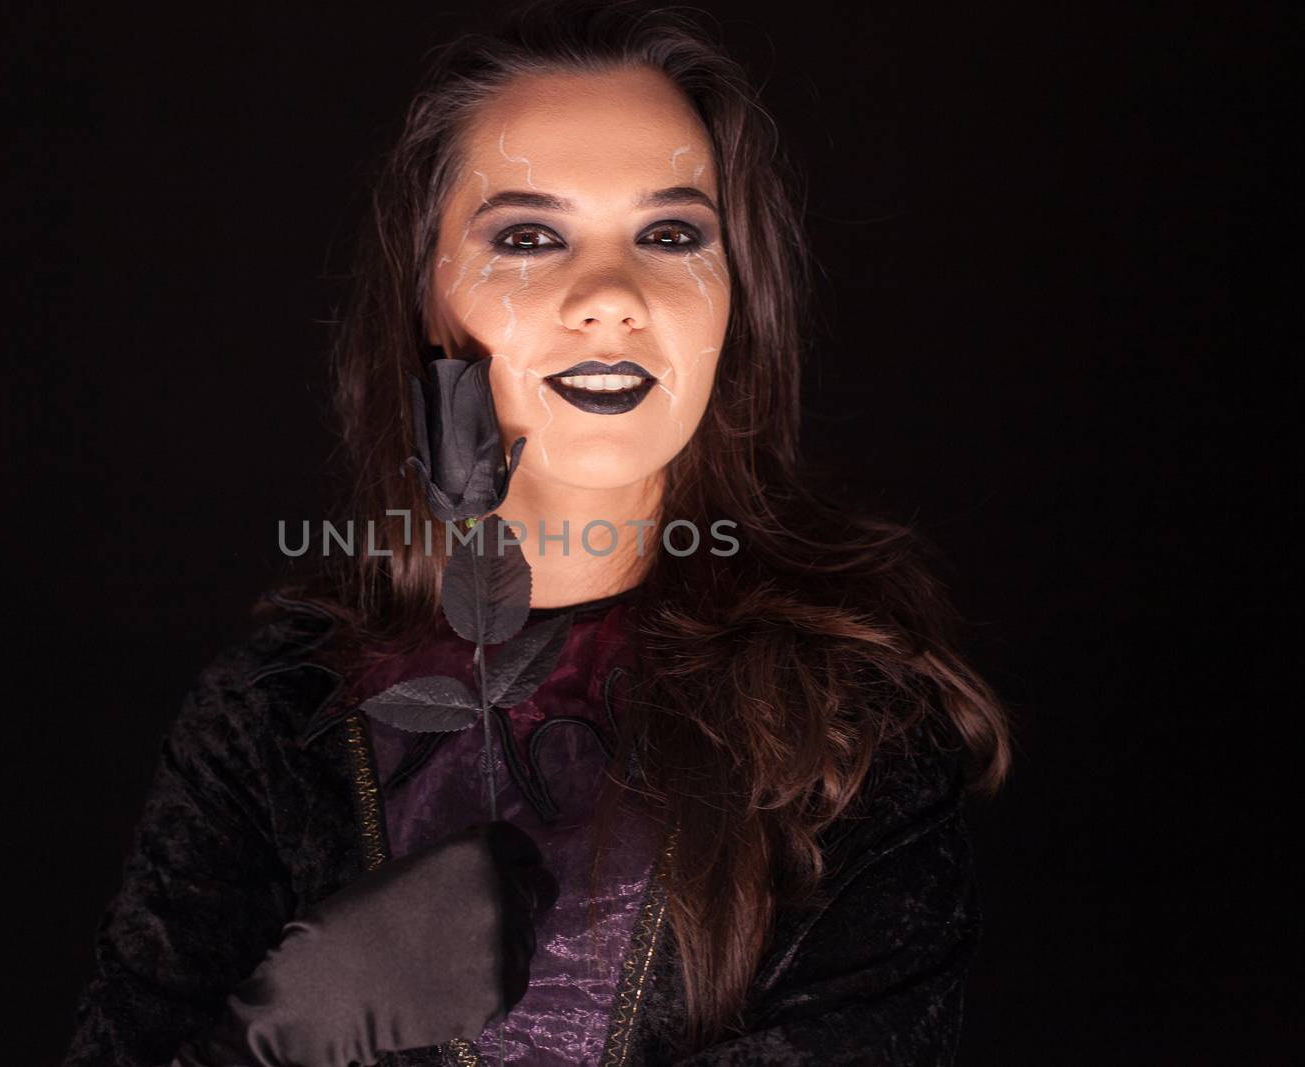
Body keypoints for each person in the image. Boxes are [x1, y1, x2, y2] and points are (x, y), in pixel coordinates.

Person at [61, 1, 1013, 1064]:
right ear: (429, 295)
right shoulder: (274, 711)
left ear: (732, 301)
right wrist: (282, 1034)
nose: (609, 296)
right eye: (527, 236)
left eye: (670, 234)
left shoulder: (841, 714)